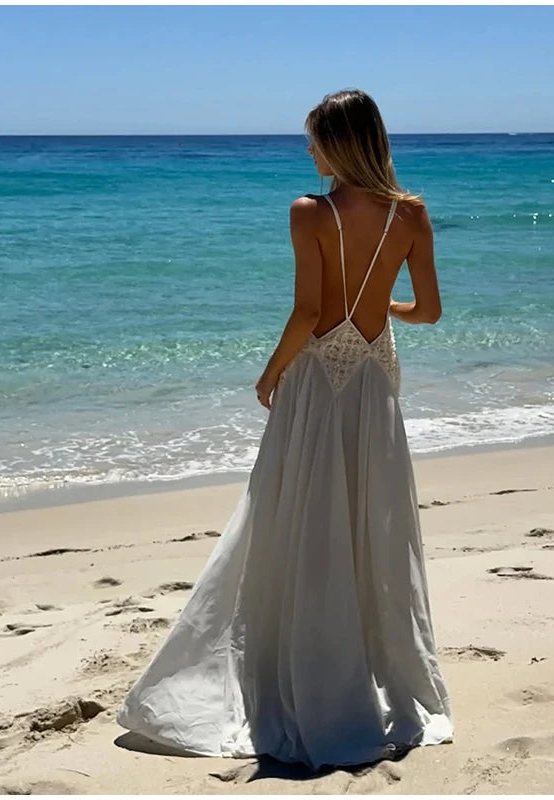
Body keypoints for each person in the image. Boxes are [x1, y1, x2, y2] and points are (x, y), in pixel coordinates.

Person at [116, 88, 454, 772]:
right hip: (375, 383)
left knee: (296, 514)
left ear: (340, 144)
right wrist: (382, 301)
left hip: (317, 381)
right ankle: (372, 669)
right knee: (369, 519)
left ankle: (302, 662)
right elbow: (429, 312)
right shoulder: (411, 213)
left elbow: (307, 313)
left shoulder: (311, 211)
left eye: (314, 140)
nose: (308, 152)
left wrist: (269, 374)